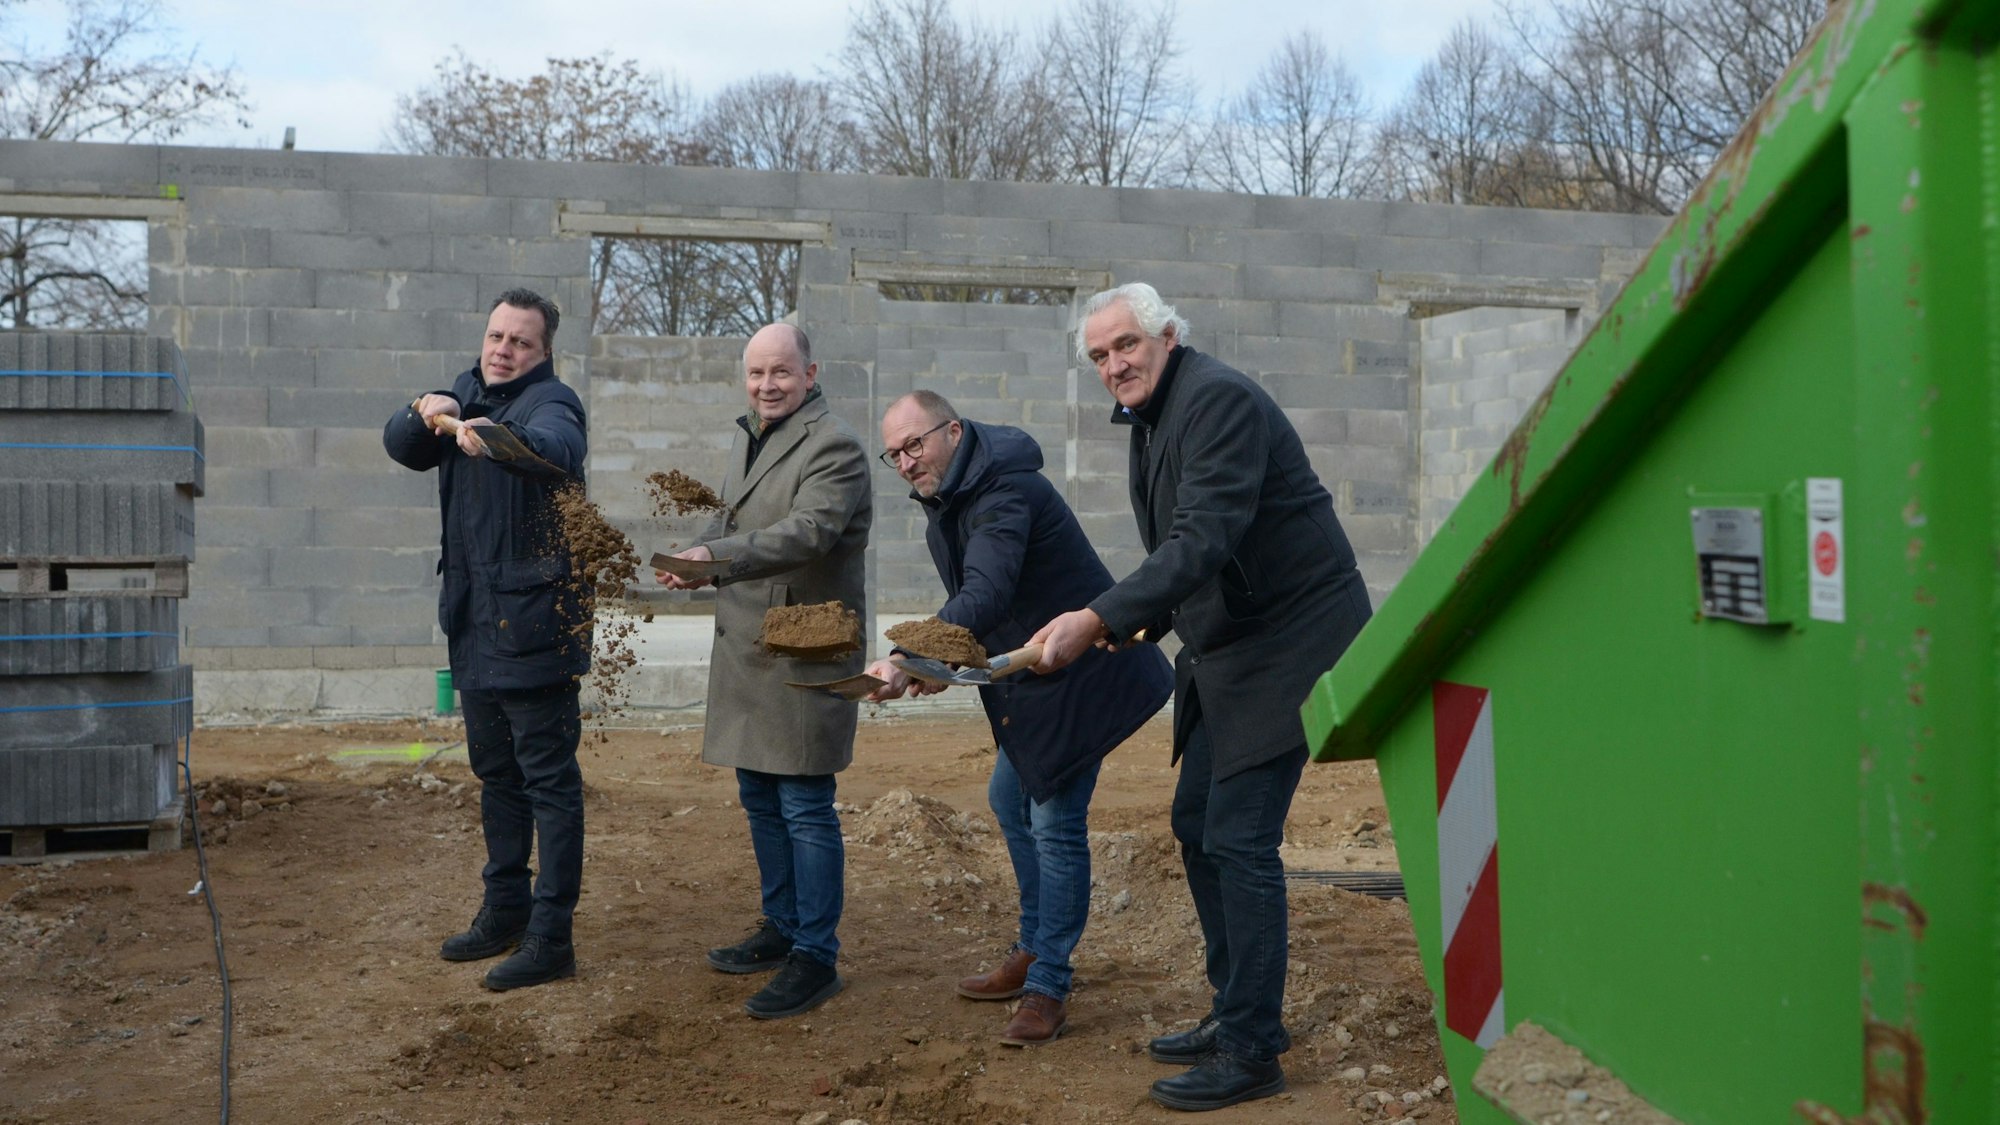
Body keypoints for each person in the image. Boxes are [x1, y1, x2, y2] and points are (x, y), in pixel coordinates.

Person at [1030, 283, 1373, 1111]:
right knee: (1197, 822)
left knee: (1240, 837)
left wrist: (1101, 613)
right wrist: (1137, 623)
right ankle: (1234, 1012)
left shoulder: (1215, 400)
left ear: (1168, 337)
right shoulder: (1154, 419)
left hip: (1291, 640)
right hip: (1232, 646)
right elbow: (1194, 549)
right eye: (1100, 355)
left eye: (1126, 346)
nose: (1114, 364)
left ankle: (1254, 1048)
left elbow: (1204, 534)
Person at [863, 391, 1171, 1047]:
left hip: (1089, 676)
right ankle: (1035, 948)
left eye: (914, 444)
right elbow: (986, 607)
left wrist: (909, 654)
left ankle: (1049, 984)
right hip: (1037, 680)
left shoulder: (1003, 492)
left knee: (1054, 821)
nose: (905, 462)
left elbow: (986, 592)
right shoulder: (949, 504)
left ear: (952, 431)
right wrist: (935, 667)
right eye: (893, 454)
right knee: (1008, 795)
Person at [655, 322, 873, 1020]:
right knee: (760, 795)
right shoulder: (752, 433)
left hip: (803, 649)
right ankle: (782, 927)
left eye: (781, 372)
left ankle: (816, 956)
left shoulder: (833, 443)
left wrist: (717, 559)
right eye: (755, 373)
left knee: (806, 805)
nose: (767, 385)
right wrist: (701, 558)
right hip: (753, 649)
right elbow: (740, 520)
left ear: (812, 373)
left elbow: (809, 531)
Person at [383, 288, 589, 992]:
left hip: (537, 628)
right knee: (496, 776)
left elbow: (559, 447)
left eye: (519, 342)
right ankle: (505, 906)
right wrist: (427, 408)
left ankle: (551, 934)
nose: (503, 349)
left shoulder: (549, 402)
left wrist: (495, 439)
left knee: (548, 782)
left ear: (544, 352)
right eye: (496, 335)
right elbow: (400, 444)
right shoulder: (464, 390)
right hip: (474, 623)